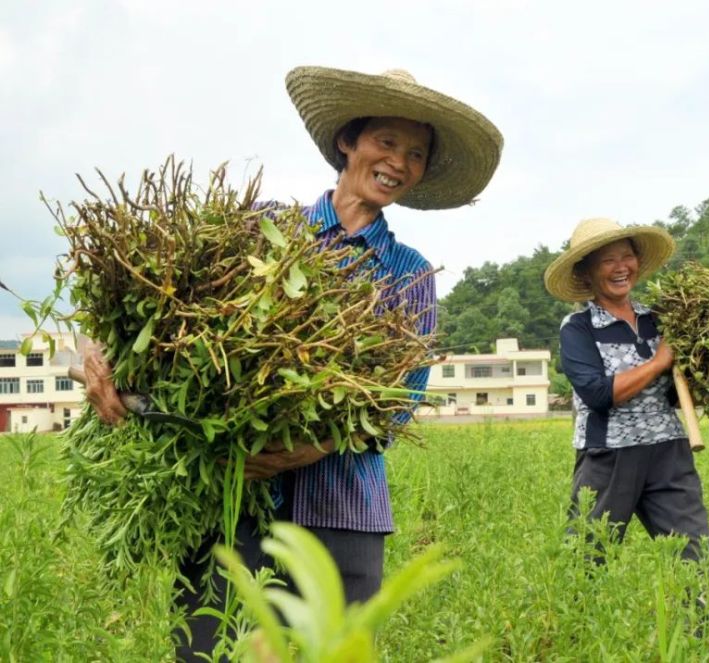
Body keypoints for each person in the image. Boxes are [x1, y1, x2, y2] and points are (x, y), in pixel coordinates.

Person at [80, 66, 503, 659]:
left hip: (342, 512)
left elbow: (398, 401)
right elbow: (148, 294)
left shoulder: (409, 273)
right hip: (234, 506)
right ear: (347, 141)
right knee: (211, 650)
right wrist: (98, 351)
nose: (399, 162)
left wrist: (300, 452)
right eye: (386, 141)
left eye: (415, 153)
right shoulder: (263, 228)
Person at [542, 218, 709, 574]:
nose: (621, 267)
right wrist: (658, 363)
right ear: (587, 273)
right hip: (608, 456)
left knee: (700, 561)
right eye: (608, 260)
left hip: (668, 452)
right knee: (586, 563)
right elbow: (597, 394)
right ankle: (575, 630)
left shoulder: (661, 320)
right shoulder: (579, 328)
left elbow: (673, 394)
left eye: (627, 256)